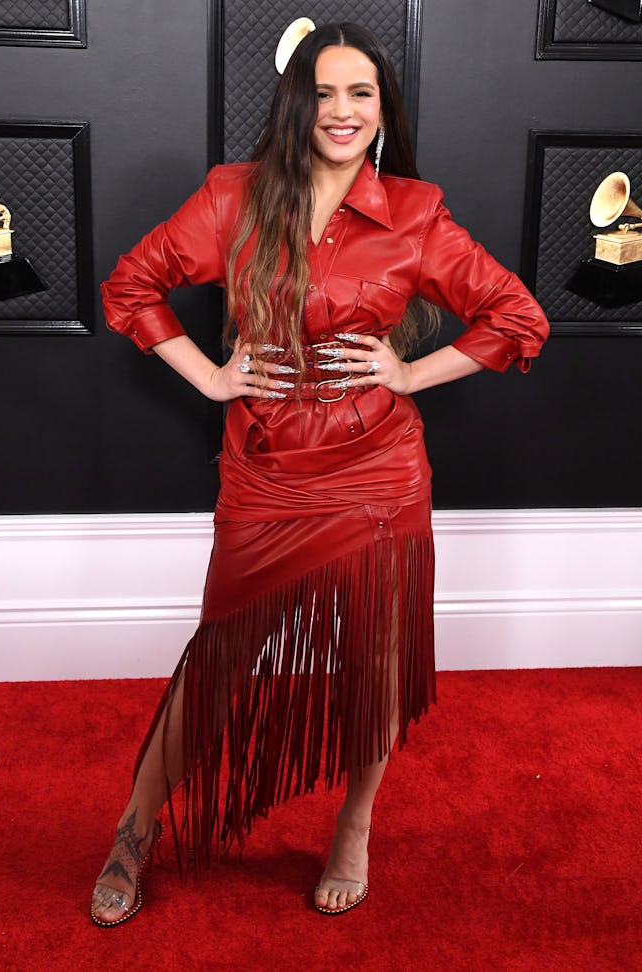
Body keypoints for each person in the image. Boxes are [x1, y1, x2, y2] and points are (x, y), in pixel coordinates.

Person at [91, 21, 548, 926]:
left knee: (375, 656)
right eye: (326, 92)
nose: (343, 111)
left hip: (379, 470)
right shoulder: (234, 198)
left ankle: (354, 824)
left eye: (362, 94)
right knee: (217, 661)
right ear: (298, 104)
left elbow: (516, 317)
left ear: (382, 111)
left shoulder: (416, 213)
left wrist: (411, 372)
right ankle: (133, 834)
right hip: (266, 469)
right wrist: (215, 377)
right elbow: (130, 287)